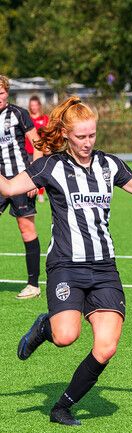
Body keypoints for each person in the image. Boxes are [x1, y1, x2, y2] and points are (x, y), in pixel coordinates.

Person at [1, 96, 132, 426]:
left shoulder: (110, 164)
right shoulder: (51, 166)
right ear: (65, 134)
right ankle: (44, 327)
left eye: (92, 135)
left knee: (105, 348)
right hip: (66, 266)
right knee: (65, 337)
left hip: (104, 269)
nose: (88, 143)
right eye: (81, 137)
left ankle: (62, 407)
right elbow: (8, 187)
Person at [0, 75, 44, 299]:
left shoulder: (18, 114)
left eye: (1, 93)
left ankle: (33, 284)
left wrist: (34, 178)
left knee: (26, 229)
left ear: (7, 93)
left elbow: (38, 145)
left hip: (19, 179)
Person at [25, 95, 49, 203]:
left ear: (39, 106)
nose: (34, 107)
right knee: (29, 173)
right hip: (28, 151)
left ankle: (40, 193)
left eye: (35, 105)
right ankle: (27, 191)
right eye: (32, 105)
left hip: (41, 151)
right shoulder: (27, 119)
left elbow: (49, 135)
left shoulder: (45, 119)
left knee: (41, 172)